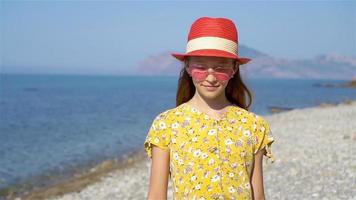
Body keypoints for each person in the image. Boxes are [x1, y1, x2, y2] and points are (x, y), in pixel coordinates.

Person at [143, 16, 275, 200]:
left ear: (234, 68)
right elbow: (156, 196)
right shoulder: (167, 125)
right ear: (188, 67)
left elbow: (258, 196)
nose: (211, 78)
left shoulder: (253, 126)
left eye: (220, 68)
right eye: (201, 67)